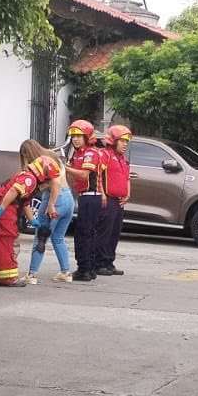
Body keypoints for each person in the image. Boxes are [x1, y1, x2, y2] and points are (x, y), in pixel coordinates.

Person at [0, 146, 41, 287]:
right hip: (5, 212)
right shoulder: (30, 179)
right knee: (5, 244)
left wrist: (32, 220)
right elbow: (13, 191)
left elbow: (24, 203)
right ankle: (8, 278)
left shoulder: (22, 175)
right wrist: (2, 209)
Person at [19, 139, 75, 284]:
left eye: (25, 156)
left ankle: (31, 275)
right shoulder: (53, 155)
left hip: (54, 199)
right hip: (68, 198)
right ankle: (65, 272)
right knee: (58, 237)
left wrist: (51, 205)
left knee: (41, 238)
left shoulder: (41, 161)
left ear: (27, 152)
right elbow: (56, 180)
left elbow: (54, 184)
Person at [63, 119, 104, 282]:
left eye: (79, 136)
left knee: (83, 234)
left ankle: (84, 269)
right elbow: (74, 178)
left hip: (91, 197)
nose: (75, 139)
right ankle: (89, 268)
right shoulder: (78, 154)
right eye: (73, 136)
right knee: (87, 233)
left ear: (87, 137)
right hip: (84, 196)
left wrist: (64, 168)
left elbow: (84, 175)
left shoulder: (90, 153)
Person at [97, 124, 132, 276]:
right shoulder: (105, 154)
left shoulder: (122, 158)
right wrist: (102, 194)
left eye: (126, 141)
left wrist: (127, 194)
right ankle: (100, 263)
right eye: (122, 141)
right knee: (104, 232)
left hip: (119, 201)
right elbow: (98, 174)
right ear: (113, 140)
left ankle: (109, 262)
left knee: (114, 233)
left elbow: (127, 178)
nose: (125, 144)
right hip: (108, 200)